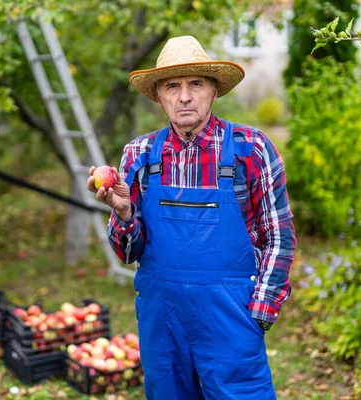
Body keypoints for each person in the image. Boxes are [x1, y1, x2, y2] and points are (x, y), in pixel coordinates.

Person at [86, 35, 295, 399]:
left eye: (195, 84)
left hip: (230, 317)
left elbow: (278, 235)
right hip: (162, 319)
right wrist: (123, 214)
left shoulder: (251, 148)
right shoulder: (139, 154)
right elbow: (128, 252)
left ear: (213, 90)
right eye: (172, 86)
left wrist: (259, 313)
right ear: (159, 96)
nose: (184, 96)